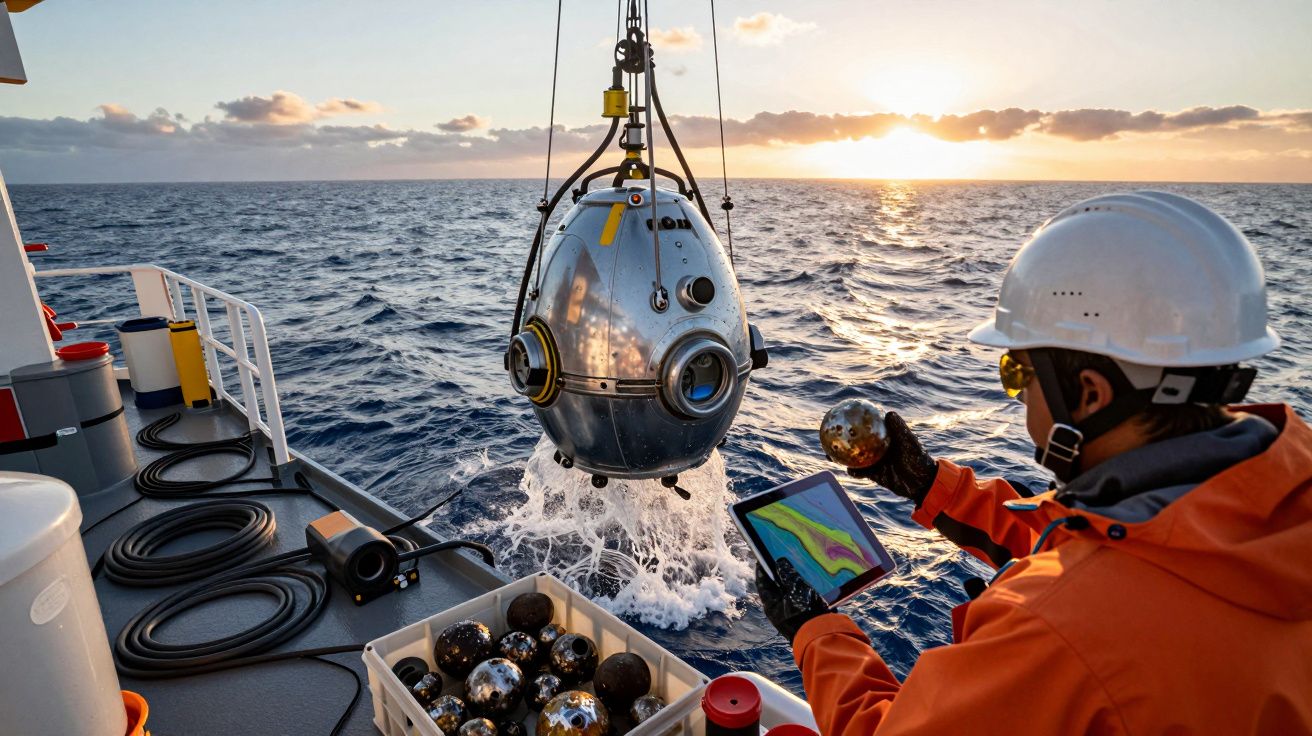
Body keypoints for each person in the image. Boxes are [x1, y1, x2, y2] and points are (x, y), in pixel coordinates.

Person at [755, 191, 1312, 734]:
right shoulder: (1280, 496)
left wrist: (816, 630)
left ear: (1090, 395)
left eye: (1018, 375)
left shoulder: (1059, 633)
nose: (1018, 398)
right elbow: (1125, 548)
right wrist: (930, 484)